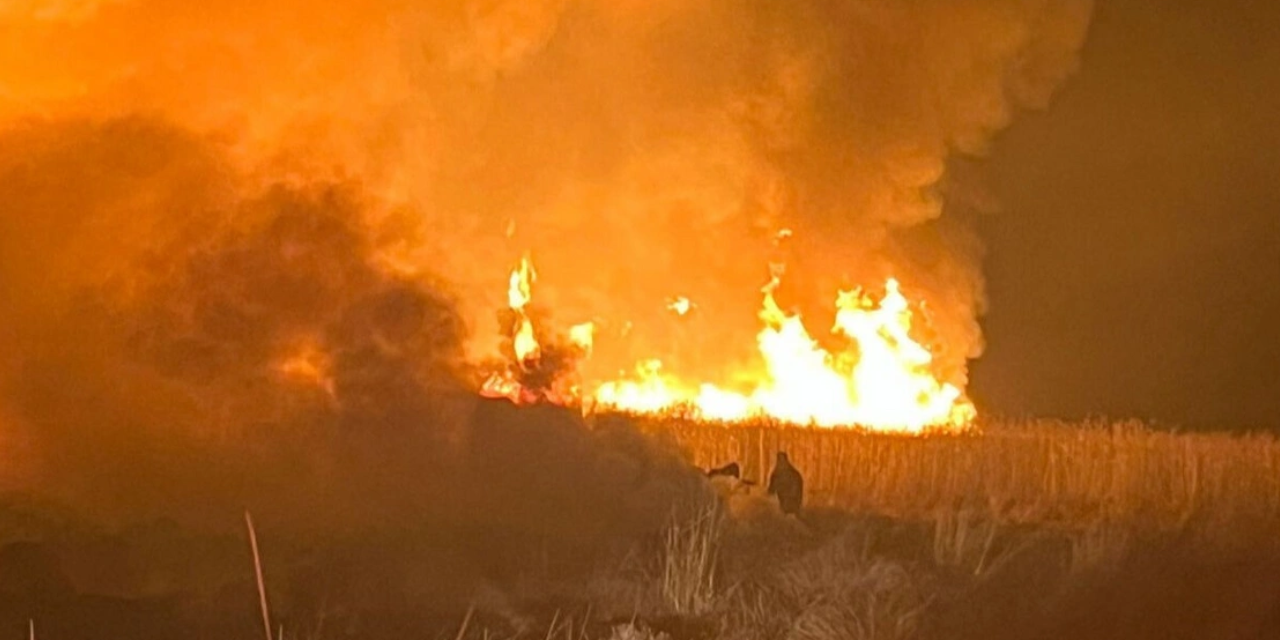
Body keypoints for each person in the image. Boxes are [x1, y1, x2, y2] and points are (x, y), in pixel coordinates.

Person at [767, 451, 803, 516]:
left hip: (788, 503)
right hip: (792, 503)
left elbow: (771, 490)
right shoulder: (795, 473)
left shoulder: (777, 473)